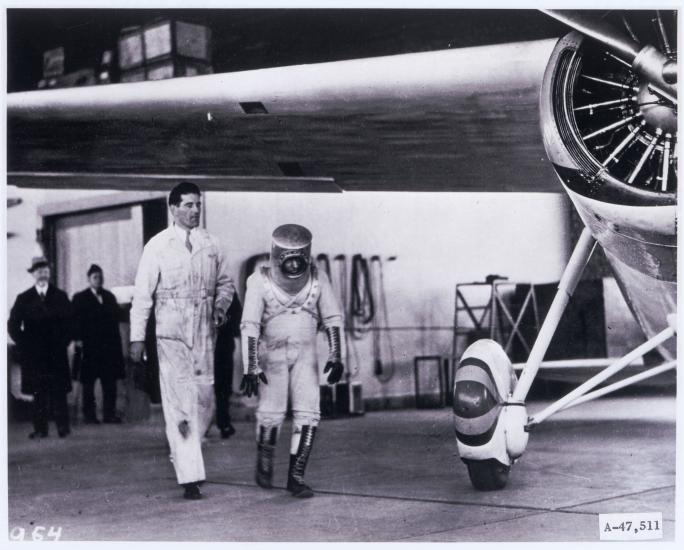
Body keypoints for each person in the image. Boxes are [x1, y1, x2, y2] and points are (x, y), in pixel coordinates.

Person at [129, 182, 235, 500]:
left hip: (204, 333)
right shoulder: (157, 246)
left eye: (198, 205)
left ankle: (183, 451)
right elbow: (142, 296)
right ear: (173, 209)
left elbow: (226, 283)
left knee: (205, 401)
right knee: (179, 407)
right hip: (171, 336)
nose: (194, 211)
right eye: (188, 205)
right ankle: (190, 477)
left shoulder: (212, 244)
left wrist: (220, 305)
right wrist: (136, 338)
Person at [240, 224, 345, 498]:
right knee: (271, 410)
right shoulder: (258, 280)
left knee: (309, 412)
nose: (294, 265)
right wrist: (251, 365)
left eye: (299, 259)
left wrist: (336, 354)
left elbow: (332, 317)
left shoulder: (318, 278)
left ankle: (295, 477)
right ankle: (265, 458)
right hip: (271, 352)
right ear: (277, 255)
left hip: (306, 352)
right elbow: (249, 324)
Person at [8, 256, 75, 438]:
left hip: (56, 353)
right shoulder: (24, 298)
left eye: (45, 270)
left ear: (49, 273)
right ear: (33, 274)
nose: (42, 274)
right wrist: (25, 344)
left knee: (59, 391)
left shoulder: (60, 296)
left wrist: (63, 341)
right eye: (39, 271)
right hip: (35, 355)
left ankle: (63, 427)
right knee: (39, 393)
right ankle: (40, 429)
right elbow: (13, 325)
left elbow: (71, 322)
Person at [72, 264, 125, 424]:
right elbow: (74, 321)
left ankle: (109, 414)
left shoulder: (109, 297)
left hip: (108, 348)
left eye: (100, 277)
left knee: (109, 382)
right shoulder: (79, 298)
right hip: (89, 348)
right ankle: (90, 416)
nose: (99, 280)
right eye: (95, 277)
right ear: (89, 279)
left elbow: (117, 316)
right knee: (88, 383)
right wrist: (77, 339)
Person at [213, 295, 242, 439]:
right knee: (221, 387)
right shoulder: (227, 289)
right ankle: (222, 422)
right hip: (219, 343)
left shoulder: (226, 289)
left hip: (223, 344)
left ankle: (223, 421)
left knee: (223, 387)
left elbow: (237, 315)